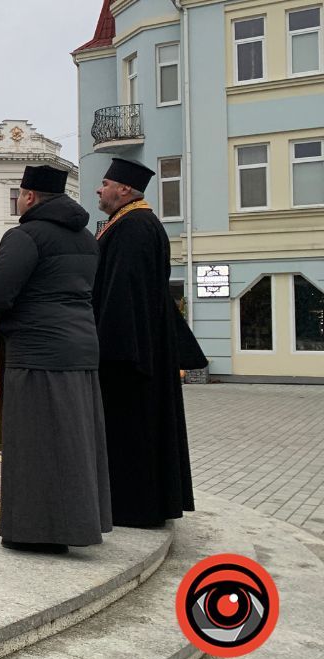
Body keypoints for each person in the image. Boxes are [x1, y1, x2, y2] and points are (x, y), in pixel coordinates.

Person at [0, 164, 112, 553]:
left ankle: (36, 531)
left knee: (36, 443)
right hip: (81, 350)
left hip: (37, 354)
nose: (18, 200)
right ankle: (79, 524)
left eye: (19, 194)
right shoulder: (89, 239)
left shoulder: (25, 236)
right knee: (74, 444)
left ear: (31, 196)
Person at [93, 157, 205, 528]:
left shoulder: (134, 227)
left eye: (105, 183)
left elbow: (122, 295)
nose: (99, 188)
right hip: (139, 348)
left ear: (124, 189)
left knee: (132, 433)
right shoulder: (131, 223)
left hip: (128, 356)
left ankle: (132, 506)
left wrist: (110, 352)